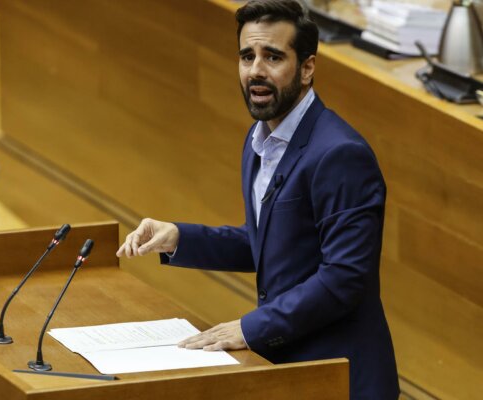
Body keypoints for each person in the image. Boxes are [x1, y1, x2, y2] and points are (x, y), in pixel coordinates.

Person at [117, 0, 399, 398]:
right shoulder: (259, 141)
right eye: (247, 56)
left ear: (307, 68)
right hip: (288, 367)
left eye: (273, 57)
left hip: (341, 377)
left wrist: (250, 328)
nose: (255, 71)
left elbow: (345, 278)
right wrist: (179, 237)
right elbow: (269, 244)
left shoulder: (340, 155)